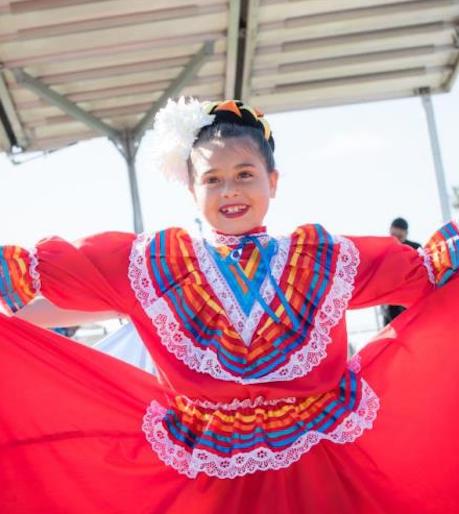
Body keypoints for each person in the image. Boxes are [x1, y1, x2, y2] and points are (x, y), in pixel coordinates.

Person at [1, 98, 459, 514]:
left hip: (321, 474)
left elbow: (422, 274)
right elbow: (69, 282)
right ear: (191, 191)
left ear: (272, 181)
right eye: (212, 179)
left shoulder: (322, 259)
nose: (229, 191)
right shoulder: (157, 266)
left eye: (244, 174)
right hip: (210, 485)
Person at [381, 217, 422, 325]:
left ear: (406, 233)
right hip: (390, 298)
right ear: (390, 231)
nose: (397, 240)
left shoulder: (416, 248)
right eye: (394, 236)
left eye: (400, 236)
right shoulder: (383, 250)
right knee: (391, 328)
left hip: (412, 297)